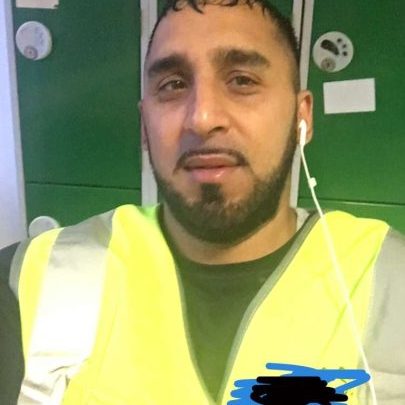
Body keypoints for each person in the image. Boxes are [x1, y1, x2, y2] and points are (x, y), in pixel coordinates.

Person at [1, 1, 404, 404]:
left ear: (303, 117)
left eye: (242, 80)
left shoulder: (391, 278)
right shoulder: (30, 282)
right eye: (173, 85)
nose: (202, 117)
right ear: (144, 126)